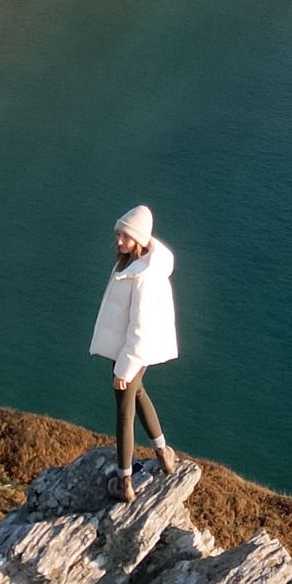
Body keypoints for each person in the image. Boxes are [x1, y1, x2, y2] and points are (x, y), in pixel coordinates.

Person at [89, 204, 179, 502]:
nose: (119, 241)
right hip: (128, 348)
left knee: (124, 412)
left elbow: (139, 329)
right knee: (138, 395)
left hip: (133, 352)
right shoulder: (131, 264)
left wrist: (124, 369)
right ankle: (163, 452)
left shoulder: (142, 276)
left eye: (125, 237)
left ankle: (125, 481)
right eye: (118, 234)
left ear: (139, 240)